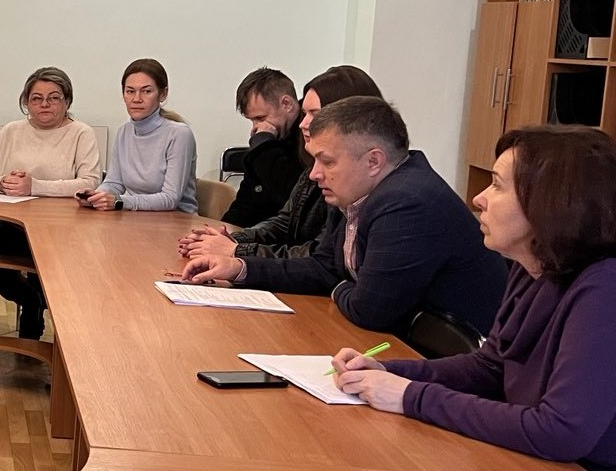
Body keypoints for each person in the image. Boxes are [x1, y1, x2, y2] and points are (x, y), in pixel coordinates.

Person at [331, 126, 616, 469]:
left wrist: (410, 396)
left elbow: (560, 432)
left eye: (497, 185)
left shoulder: (604, 289)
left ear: (552, 204)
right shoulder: (533, 266)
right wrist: (390, 372)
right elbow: (491, 367)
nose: (479, 199)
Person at [181, 97, 507, 333]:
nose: (314, 174)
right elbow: (322, 267)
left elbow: (370, 310)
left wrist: (337, 284)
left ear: (373, 161)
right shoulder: (356, 191)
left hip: (444, 359)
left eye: (327, 161)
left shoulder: (407, 202)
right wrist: (240, 268)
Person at [180, 65, 382, 260]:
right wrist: (229, 238)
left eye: (314, 114)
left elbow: (320, 258)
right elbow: (286, 220)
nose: (303, 123)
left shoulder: (366, 186)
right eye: (305, 113)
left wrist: (237, 250)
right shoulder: (309, 155)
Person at [0, 66, 102, 339]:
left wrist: (35, 186)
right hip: (15, 223)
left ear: (67, 101)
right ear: (26, 102)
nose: (45, 104)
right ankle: (31, 302)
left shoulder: (81, 133)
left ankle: (37, 318)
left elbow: (89, 183)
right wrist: (2, 182)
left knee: (46, 272)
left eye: (54, 98)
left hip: (62, 229)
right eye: (36, 98)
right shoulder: (12, 130)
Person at [83, 58, 197, 213]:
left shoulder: (179, 134)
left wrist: (119, 201)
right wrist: (95, 197)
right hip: (138, 217)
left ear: (163, 94)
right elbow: (114, 183)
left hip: (177, 219)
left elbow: (170, 199)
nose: (137, 99)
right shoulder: (124, 131)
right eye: (130, 91)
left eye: (146, 91)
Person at [219, 67, 303, 226]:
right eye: (252, 120)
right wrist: (221, 230)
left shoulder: (307, 140)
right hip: (254, 233)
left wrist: (264, 144)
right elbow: (245, 202)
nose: (256, 127)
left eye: (261, 118)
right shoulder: (265, 143)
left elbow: (291, 196)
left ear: (286, 104)